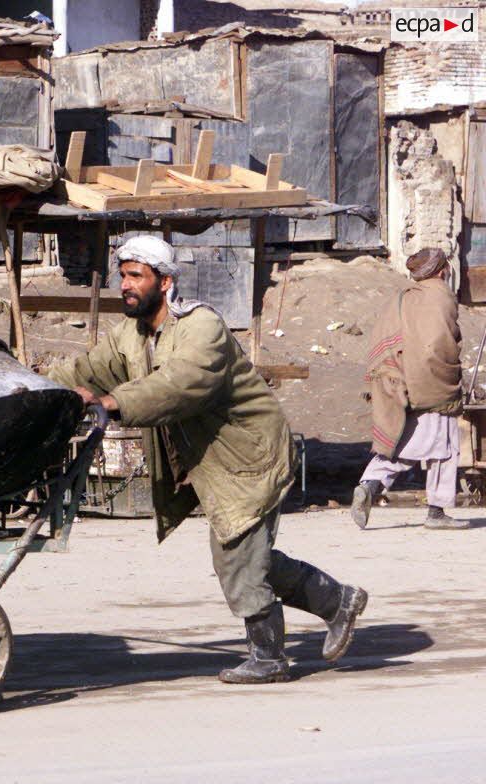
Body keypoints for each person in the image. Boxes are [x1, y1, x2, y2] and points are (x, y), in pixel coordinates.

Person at [48, 235, 368, 684]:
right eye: (123, 275)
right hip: (212, 462)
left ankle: (270, 657)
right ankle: (338, 601)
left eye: (136, 276)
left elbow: (183, 382)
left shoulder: (201, 327)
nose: (126, 285)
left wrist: (113, 402)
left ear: (165, 282)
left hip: (249, 454)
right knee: (250, 557)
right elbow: (86, 370)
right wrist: (37, 386)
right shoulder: (132, 335)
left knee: (237, 555)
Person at [352, 248, 467, 530]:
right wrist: (448, 375)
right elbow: (441, 344)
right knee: (444, 448)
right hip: (432, 382)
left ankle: (369, 484)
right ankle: (436, 513)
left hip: (399, 383)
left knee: (401, 443)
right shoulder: (440, 295)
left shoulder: (403, 297)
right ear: (441, 271)